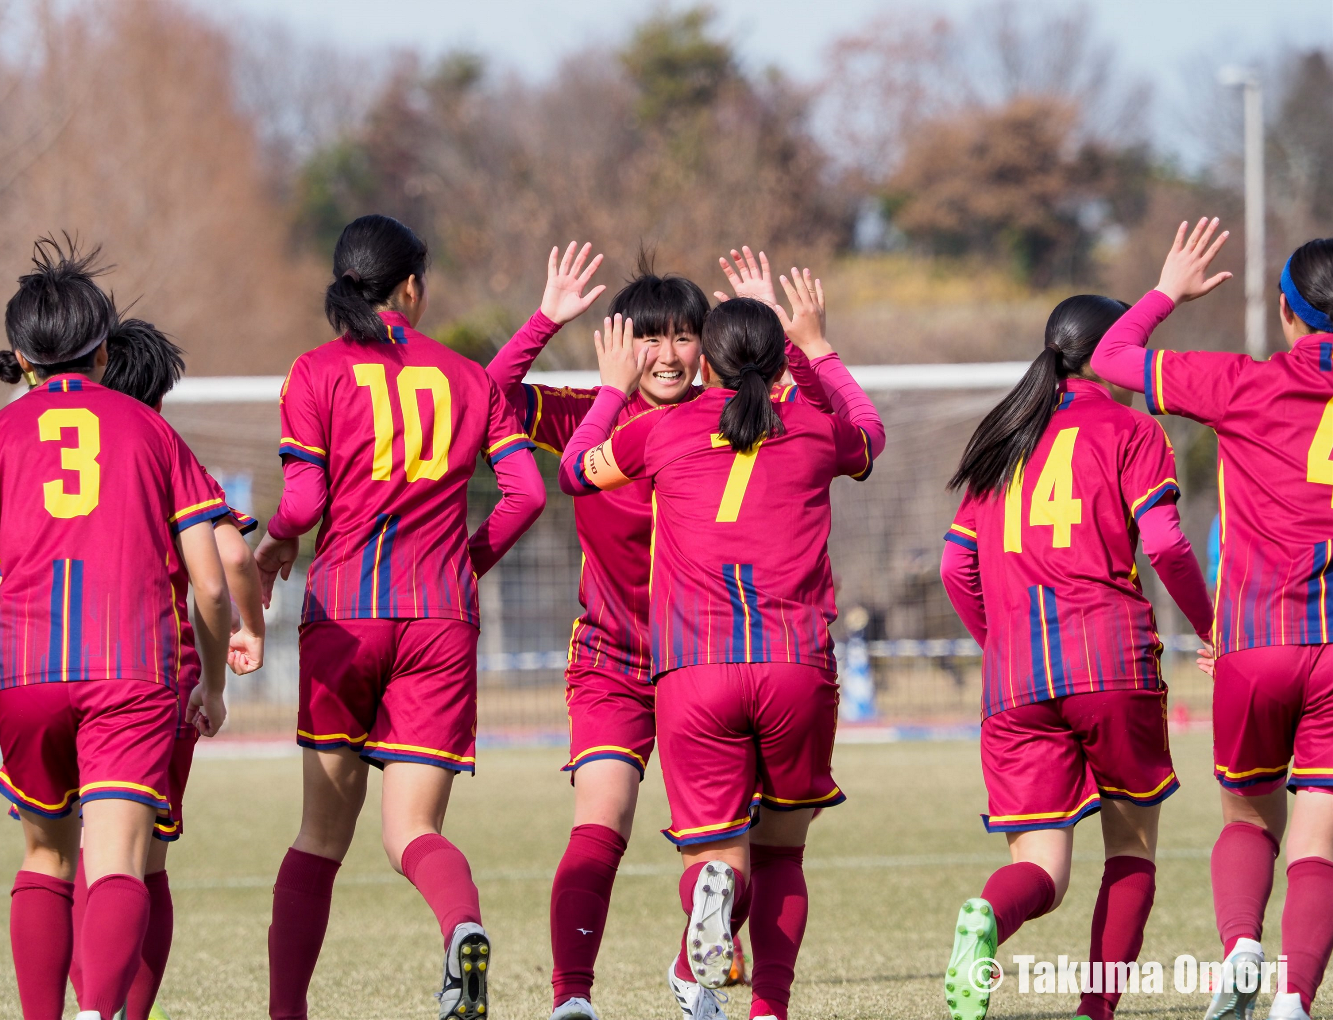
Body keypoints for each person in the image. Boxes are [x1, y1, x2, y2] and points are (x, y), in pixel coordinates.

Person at [486, 245, 819, 1020]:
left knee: (733, 847)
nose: (667, 355)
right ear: (618, 342)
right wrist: (545, 320)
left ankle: (690, 966)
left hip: (711, 657)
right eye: (649, 337)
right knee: (600, 822)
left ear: (708, 345)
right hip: (616, 656)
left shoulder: (739, 414)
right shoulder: (589, 412)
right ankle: (572, 998)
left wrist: (774, 324)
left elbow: (816, 410)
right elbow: (484, 396)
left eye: (684, 336)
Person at [559, 270, 882, 1020]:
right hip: (795, 665)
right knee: (784, 853)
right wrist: (817, 346)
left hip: (694, 670)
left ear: (704, 360)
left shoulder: (660, 429)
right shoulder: (812, 428)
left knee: (716, 854)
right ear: (777, 363)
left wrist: (609, 391)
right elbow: (869, 431)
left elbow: (576, 470)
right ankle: (768, 1008)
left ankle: (716, 890)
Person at [254, 214, 546, 1020]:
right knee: (412, 831)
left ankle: (286, 1013)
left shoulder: (314, 372)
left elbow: (303, 502)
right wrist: (465, 563)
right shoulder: (470, 378)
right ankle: (462, 929)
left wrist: (275, 543)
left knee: (320, 837)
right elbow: (526, 494)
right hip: (439, 617)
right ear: (411, 287)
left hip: (346, 612)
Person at [0, 237, 233, 1020]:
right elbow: (212, 582)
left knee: (45, 858)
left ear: (23, 357)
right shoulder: (151, 432)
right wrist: (213, 684)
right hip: (132, 669)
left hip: (26, 671)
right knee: (119, 859)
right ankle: (100, 1012)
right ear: (104, 349)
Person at [939, 291, 1214, 1020]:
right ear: (1107, 356)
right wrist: (1211, 625)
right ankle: (1096, 1010)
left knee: (1042, 871)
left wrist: (1000, 645)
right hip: (1109, 660)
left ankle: (988, 917)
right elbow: (1165, 544)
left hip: (1014, 678)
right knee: (1132, 849)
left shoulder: (1003, 435)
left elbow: (954, 568)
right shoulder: (1132, 428)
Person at [1091, 221, 1333, 1020]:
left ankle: (1241, 948)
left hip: (1253, 642)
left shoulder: (1241, 382)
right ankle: (1296, 1000)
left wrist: (1168, 290)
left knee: (1248, 817)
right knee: (1320, 840)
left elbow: (1111, 356)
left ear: (1288, 311)